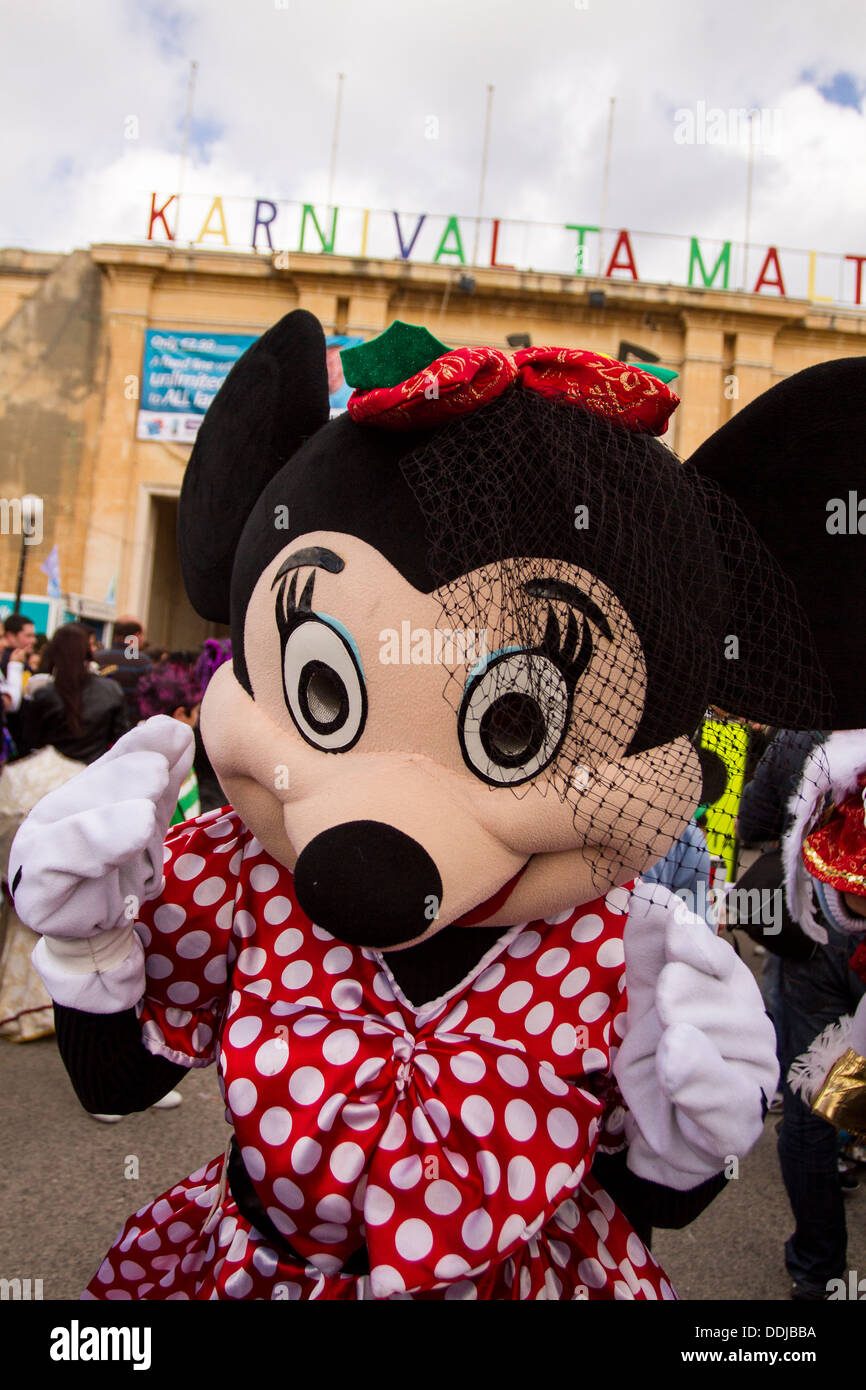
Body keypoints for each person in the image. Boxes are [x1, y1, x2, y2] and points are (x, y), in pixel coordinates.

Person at [775, 731, 866, 1300]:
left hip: (822, 931)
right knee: (818, 1103)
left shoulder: (803, 731)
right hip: (826, 931)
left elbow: (757, 818)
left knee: (813, 1111)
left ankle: (818, 1270)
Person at [20, 623, 128, 764]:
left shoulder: (44, 695)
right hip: (94, 771)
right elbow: (120, 736)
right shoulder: (111, 690)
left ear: (53, 652)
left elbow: (30, 740)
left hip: (52, 774)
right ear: (88, 651)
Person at [136, 663, 202, 823]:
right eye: (195, 711)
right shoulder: (163, 764)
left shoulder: (172, 749)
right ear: (180, 713)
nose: (197, 718)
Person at [93, 616, 152, 724]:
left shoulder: (97, 657)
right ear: (136, 636)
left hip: (99, 721)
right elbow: (149, 694)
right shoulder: (143, 662)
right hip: (131, 723)